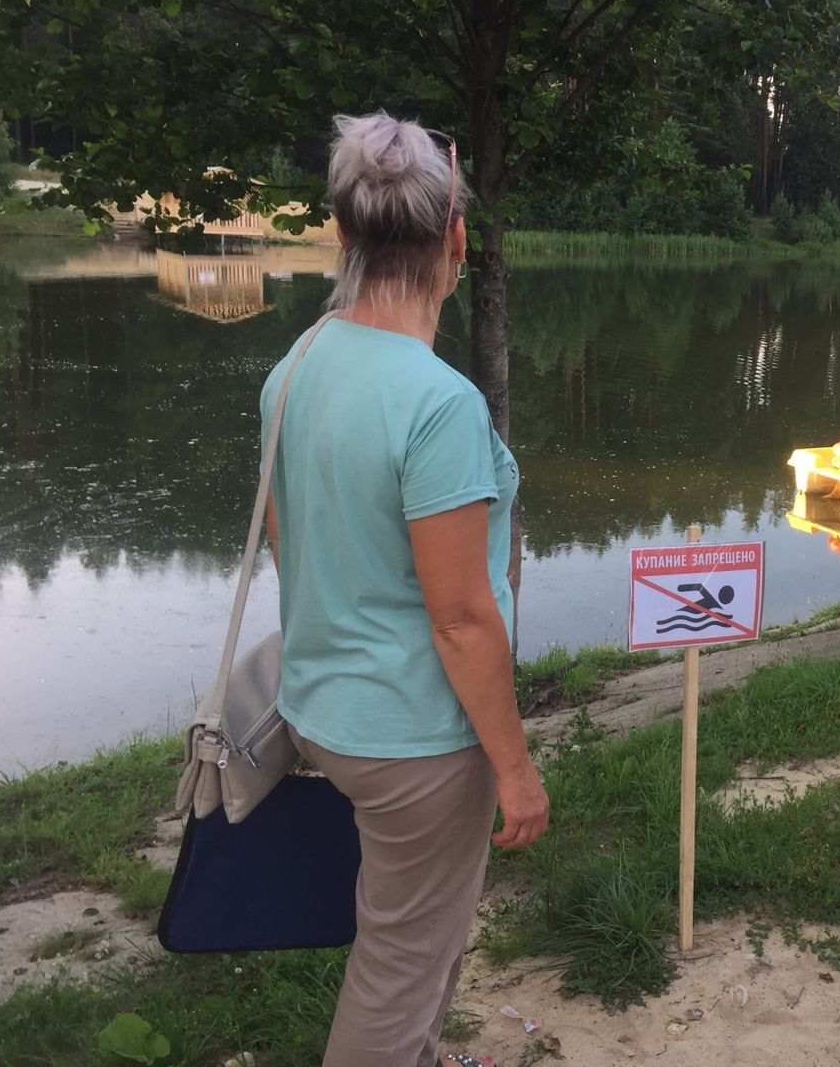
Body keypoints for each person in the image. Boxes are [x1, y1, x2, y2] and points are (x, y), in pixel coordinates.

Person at [260, 112, 548, 1067]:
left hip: (319, 709)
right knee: (402, 960)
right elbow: (463, 619)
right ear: (455, 240)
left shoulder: (295, 368)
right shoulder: (439, 405)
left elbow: (285, 544)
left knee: (407, 940)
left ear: (341, 235)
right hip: (415, 742)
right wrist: (513, 767)